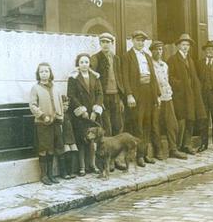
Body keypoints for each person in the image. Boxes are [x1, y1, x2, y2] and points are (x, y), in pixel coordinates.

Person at [122, 30, 161, 167]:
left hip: (148, 93)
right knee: (138, 125)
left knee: (147, 124)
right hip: (136, 94)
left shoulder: (148, 56)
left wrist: (157, 95)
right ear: (132, 40)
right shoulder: (127, 56)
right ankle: (138, 156)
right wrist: (129, 94)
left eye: (143, 41)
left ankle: (144, 154)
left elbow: (153, 77)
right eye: (138, 40)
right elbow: (125, 77)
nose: (140, 43)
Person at [90, 32, 127, 171]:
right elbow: (94, 80)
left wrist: (122, 98)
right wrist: (99, 101)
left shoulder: (116, 59)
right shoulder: (95, 58)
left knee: (118, 127)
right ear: (100, 44)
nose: (106, 44)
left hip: (116, 96)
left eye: (108, 42)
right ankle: (109, 161)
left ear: (112, 43)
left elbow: (120, 78)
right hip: (104, 97)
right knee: (108, 127)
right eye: (103, 42)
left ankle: (118, 158)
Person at [167, 33, 207, 155]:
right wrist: (180, 85)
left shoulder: (190, 60)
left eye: (187, 45)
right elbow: (169, 77)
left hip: (192, 95)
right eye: (183, 44)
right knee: (181, 120)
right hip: (180, 95)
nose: (185, 47)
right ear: (178, 46)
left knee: (191, 119)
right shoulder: (172, 59)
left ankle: (187, 144)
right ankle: (178, 146)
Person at [150, 40, 187, 160]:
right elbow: (152, 82)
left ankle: (173, 149)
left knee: (172, 123)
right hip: (156, 98)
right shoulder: (150, 65)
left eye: (161, 49)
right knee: (155, 124)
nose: (159, 52)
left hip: (167, 96)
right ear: (152, 51)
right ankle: (158, 150)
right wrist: (156, 96)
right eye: (156, 50)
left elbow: (167, 81)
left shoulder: (164, 65)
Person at [67, 53, 103, 175]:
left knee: (92, 140)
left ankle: (92, 165)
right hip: (80, 116)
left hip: (92, 114)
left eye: (86, 62)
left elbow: (99, 94)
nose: (84, 64)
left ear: (89, 64)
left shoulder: (95, 77)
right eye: (81, 62)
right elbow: (71, 95)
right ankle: (82, 167)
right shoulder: (73, 78)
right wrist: (82, 111)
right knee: (82, 140)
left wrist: (95, 110)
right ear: (78, 64)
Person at [29, 62, 64, 185]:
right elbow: (32, 105)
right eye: (41, 72)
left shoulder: (55, 87)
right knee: (43, 149)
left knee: (52, 149)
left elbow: (60, 102)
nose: (44, 74)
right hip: (42, 124)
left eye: (46, 71)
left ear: (50, 73)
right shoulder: (36, 88)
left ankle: (51, 174)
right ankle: (43, 175)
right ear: (38, 74)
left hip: (55, 123)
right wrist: (42, 116)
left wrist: (60, 116)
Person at [60, 95, 78, 179]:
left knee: (72, 152)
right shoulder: (60, 115)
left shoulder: (68, 115)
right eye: (63, 105)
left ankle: (70, 171)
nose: (65, 107)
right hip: (63, 138)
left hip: (70, 137)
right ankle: (64, 172)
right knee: (65, 153)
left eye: (67, 105)